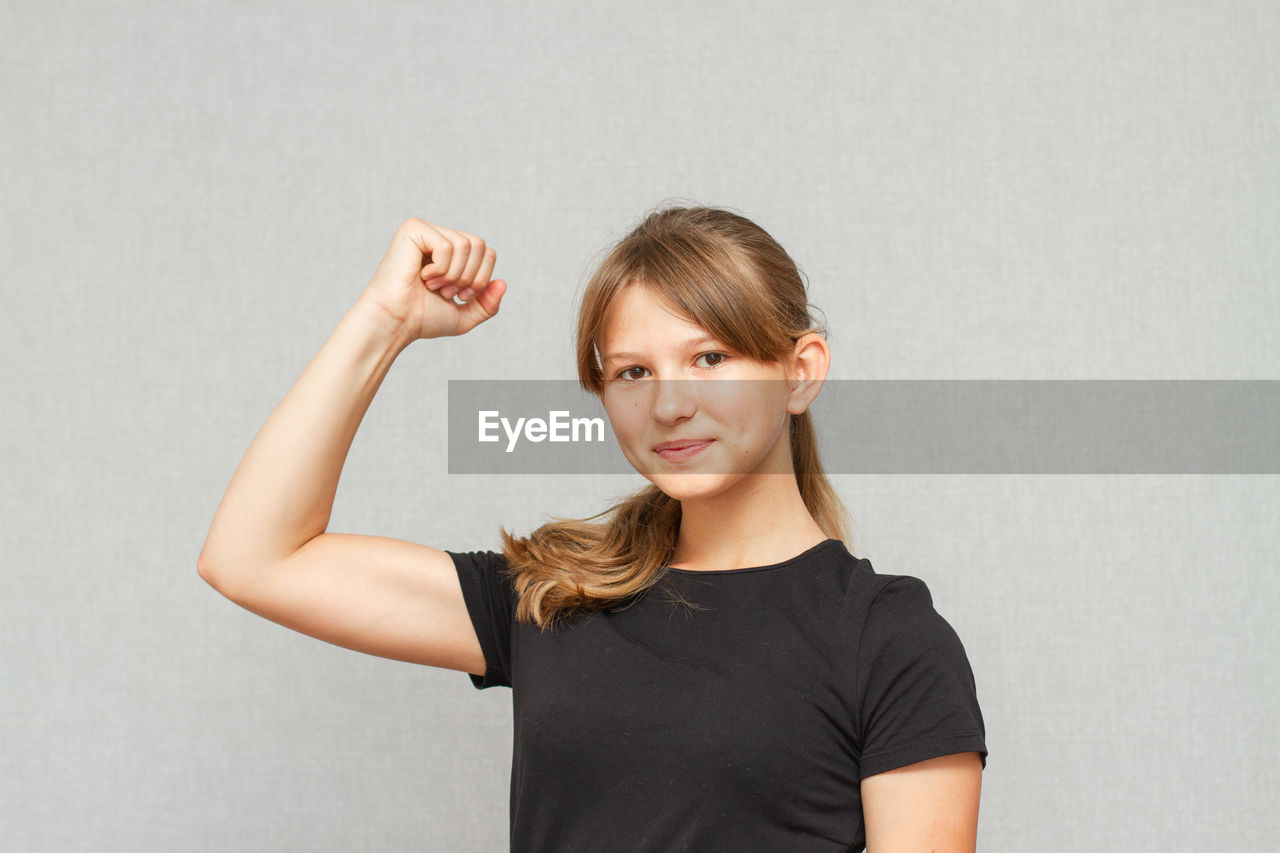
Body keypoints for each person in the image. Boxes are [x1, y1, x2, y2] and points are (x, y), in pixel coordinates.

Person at [198, 205, 988, 852]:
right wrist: (385, 320)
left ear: (801, 370)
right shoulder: (554, 595)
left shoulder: (888, 640)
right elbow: (253, 556)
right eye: (632, 372)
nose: (669, 405)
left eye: (709, 358)